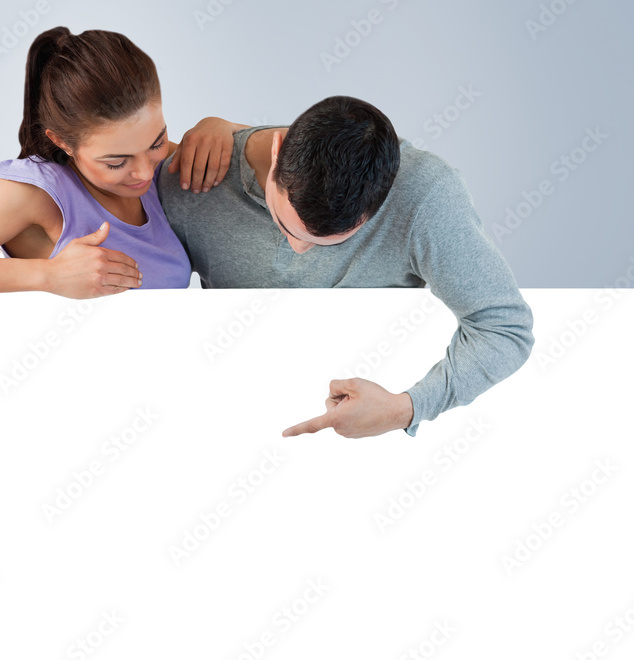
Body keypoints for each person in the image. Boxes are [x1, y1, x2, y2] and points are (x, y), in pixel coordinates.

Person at [157, 96, 535, 438]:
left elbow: (504, 328)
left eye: (327, 241)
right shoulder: (192, 181)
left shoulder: (426, 197)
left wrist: (403, 409)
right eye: (285, 223)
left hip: (373, 444)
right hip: (233, 427)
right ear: (278, 150)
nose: (298, 248)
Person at [0, 27, 234, 298]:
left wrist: (221, 126)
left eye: (157, 141)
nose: (144, 171)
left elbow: (288, 151)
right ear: (62, 142)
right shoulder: (35, 191)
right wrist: (47, 276)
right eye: (115, 163)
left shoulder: (154, 161)